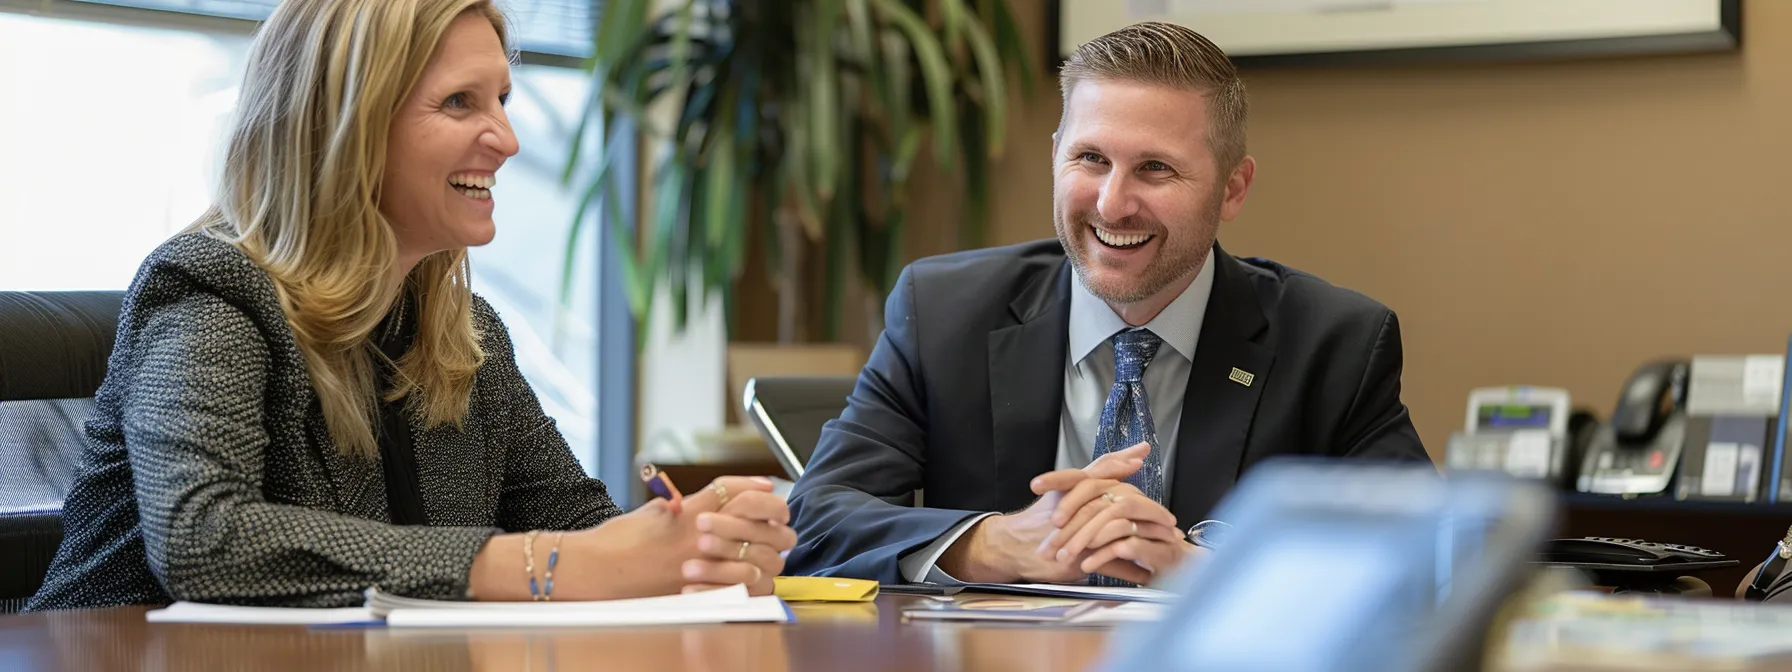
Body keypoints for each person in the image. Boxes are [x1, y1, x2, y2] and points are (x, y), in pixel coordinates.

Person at [27, 0, 793, 611]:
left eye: (502, 98)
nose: (508, 139)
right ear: (346, 126)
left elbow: (577, 527)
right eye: (460, 103)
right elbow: (205, 537)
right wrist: (540, 564)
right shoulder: (210, 292)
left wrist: (689, 542)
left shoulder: (466, 333)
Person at [785, 21, 1430, 587]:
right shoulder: (944, 312)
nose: (1112, 204)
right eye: (1090, 159)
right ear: (1055, 158)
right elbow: (817, 520)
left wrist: (1196, 568)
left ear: (1232, 189)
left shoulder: (1333, 342)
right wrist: (996, 543)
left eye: (1155, 169)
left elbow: (1430, 556)